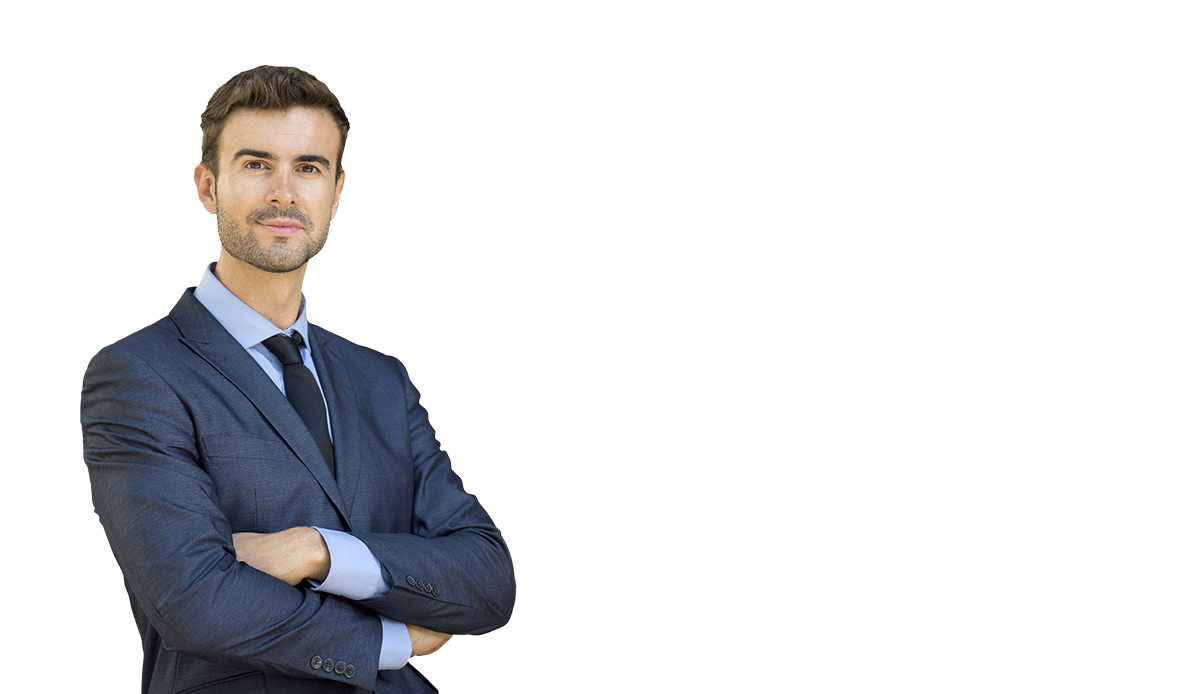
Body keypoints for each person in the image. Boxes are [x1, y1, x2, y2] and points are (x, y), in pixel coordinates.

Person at [81, 65, 516, 694]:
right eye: (257, 164)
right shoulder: (140, 375)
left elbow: (489, 578)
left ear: (336, 192)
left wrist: (317, 550)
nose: (284, 193)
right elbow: (193, 601)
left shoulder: (382, 382)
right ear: (207, 185)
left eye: (308, 168)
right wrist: (390, 642)